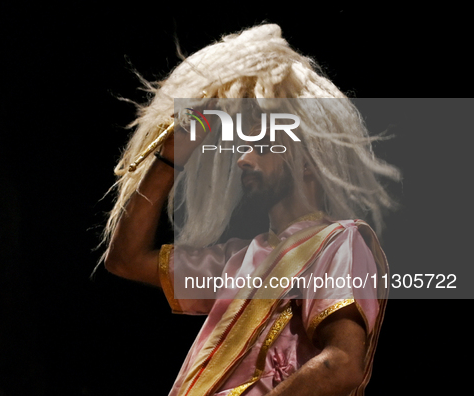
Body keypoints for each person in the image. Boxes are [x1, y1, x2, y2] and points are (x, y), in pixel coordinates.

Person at [101, 24, 401, 396]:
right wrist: (169, 159)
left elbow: (342, 364)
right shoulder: (241, 260)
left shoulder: (339, 242)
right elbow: (125, 260)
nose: (242, 159)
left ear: (307, 162)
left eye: (262, 146)